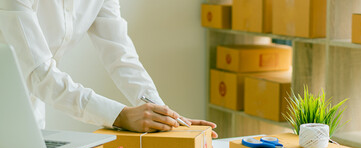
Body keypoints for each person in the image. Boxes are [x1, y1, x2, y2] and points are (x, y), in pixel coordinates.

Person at [0, 0, 217, 137]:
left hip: (30, 110)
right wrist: (120, 116)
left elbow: (121, 56)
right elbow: (39, 73)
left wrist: (161, 114)